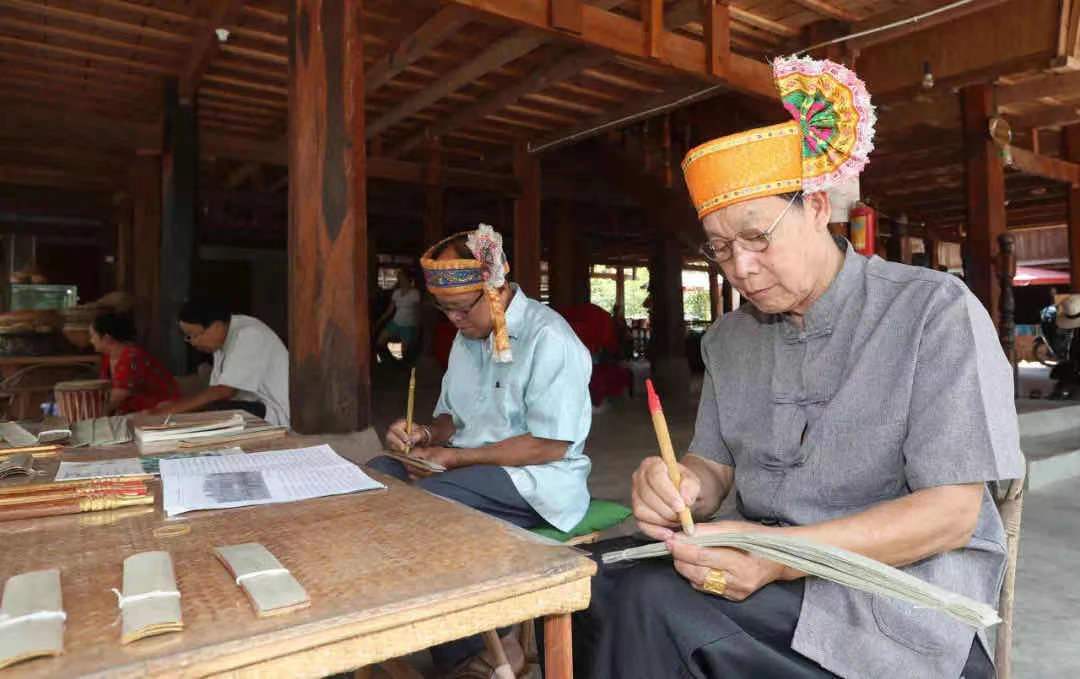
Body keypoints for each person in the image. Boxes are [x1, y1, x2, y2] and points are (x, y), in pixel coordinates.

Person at [577, 57, 1024, 679]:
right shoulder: (730, 338)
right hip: (769, 571)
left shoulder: (931, 310)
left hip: (897, 599)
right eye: (721, 248)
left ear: (817, 206)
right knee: (591, 579)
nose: (741, 268)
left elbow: (951, 513)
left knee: (651, 606)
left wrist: (783, 557)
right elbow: (714, 466)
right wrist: (681, 484)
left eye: (757, 236)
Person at [367, 224, 593, 675]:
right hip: (468, 471)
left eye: (460, 309)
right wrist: (425, 436)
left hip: (538, 482)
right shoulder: (466, 338)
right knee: (373, 477)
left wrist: (456, 458)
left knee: (432, 506)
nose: (453, 320)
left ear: (496, 287)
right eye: (443, 310)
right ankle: (399, 622)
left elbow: (549, 445)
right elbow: (453, 417)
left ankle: (480, 648)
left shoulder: (550, 339)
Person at [152, 299, 290, 427]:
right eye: (189, 337)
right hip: (252, 407)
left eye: (195, 335)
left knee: (213, 412)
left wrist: (174, 408)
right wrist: (178, 407)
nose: (193, 342)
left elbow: (224, 391)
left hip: (276, 413)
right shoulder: (221, 344)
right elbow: (214, 393)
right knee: (203, 411)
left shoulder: (249, 334)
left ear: (216, 326)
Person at [90, 312, 180, 414]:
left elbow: (117, 396)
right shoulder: (108, 358)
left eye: (93, 336)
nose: (91, 340)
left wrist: (91, 414)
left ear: (106, 338)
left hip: (160, 411)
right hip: (135, 413)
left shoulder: (132, 357)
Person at [375, 268, 422, 363]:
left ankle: (399, 365)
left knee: (403, 353)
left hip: (408, 325)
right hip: (395, 322)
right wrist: (380, 320)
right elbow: (390, 310)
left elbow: (418, 311)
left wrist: (417, 327)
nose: (400, 280)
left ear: (408, 279)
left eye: (402, 278)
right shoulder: (396, 293)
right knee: (380, 341)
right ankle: (385, 361)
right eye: (399, 278)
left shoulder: (415, 293)